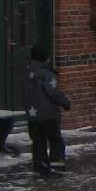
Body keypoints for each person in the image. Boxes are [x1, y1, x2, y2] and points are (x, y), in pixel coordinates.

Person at [23, 44, 70, 177]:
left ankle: (40, 166)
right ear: (46, 58)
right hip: (49, 114)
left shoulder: (27, 72)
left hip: (33, 115)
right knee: (55, 140)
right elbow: (53, 93)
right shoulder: (46, 74)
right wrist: (66, 103)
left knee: (38, 141)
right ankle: (56, 165)